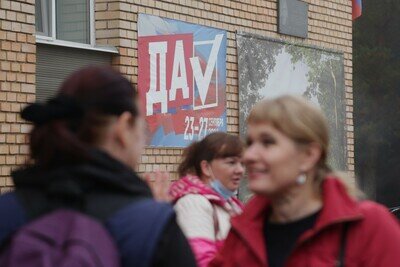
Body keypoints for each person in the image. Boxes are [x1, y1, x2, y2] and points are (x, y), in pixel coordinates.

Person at [0, 66, 196, 267]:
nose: (144, 139)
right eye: (143, 127)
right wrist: (155, 216)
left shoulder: (7, 212)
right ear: (123, 126)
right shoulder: (152, 228)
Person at [210, 95, 400, 267]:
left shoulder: (368, 227)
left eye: (267, 142)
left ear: (309, 155)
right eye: (250, 143)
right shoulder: (241, 234)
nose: (249, 155)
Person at [169, 132, 245, 267]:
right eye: (231, 162)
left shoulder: (232, 204)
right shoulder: (193, 204)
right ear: (206, 168)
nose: (240, 170)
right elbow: (200, 262)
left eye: (242, 163)